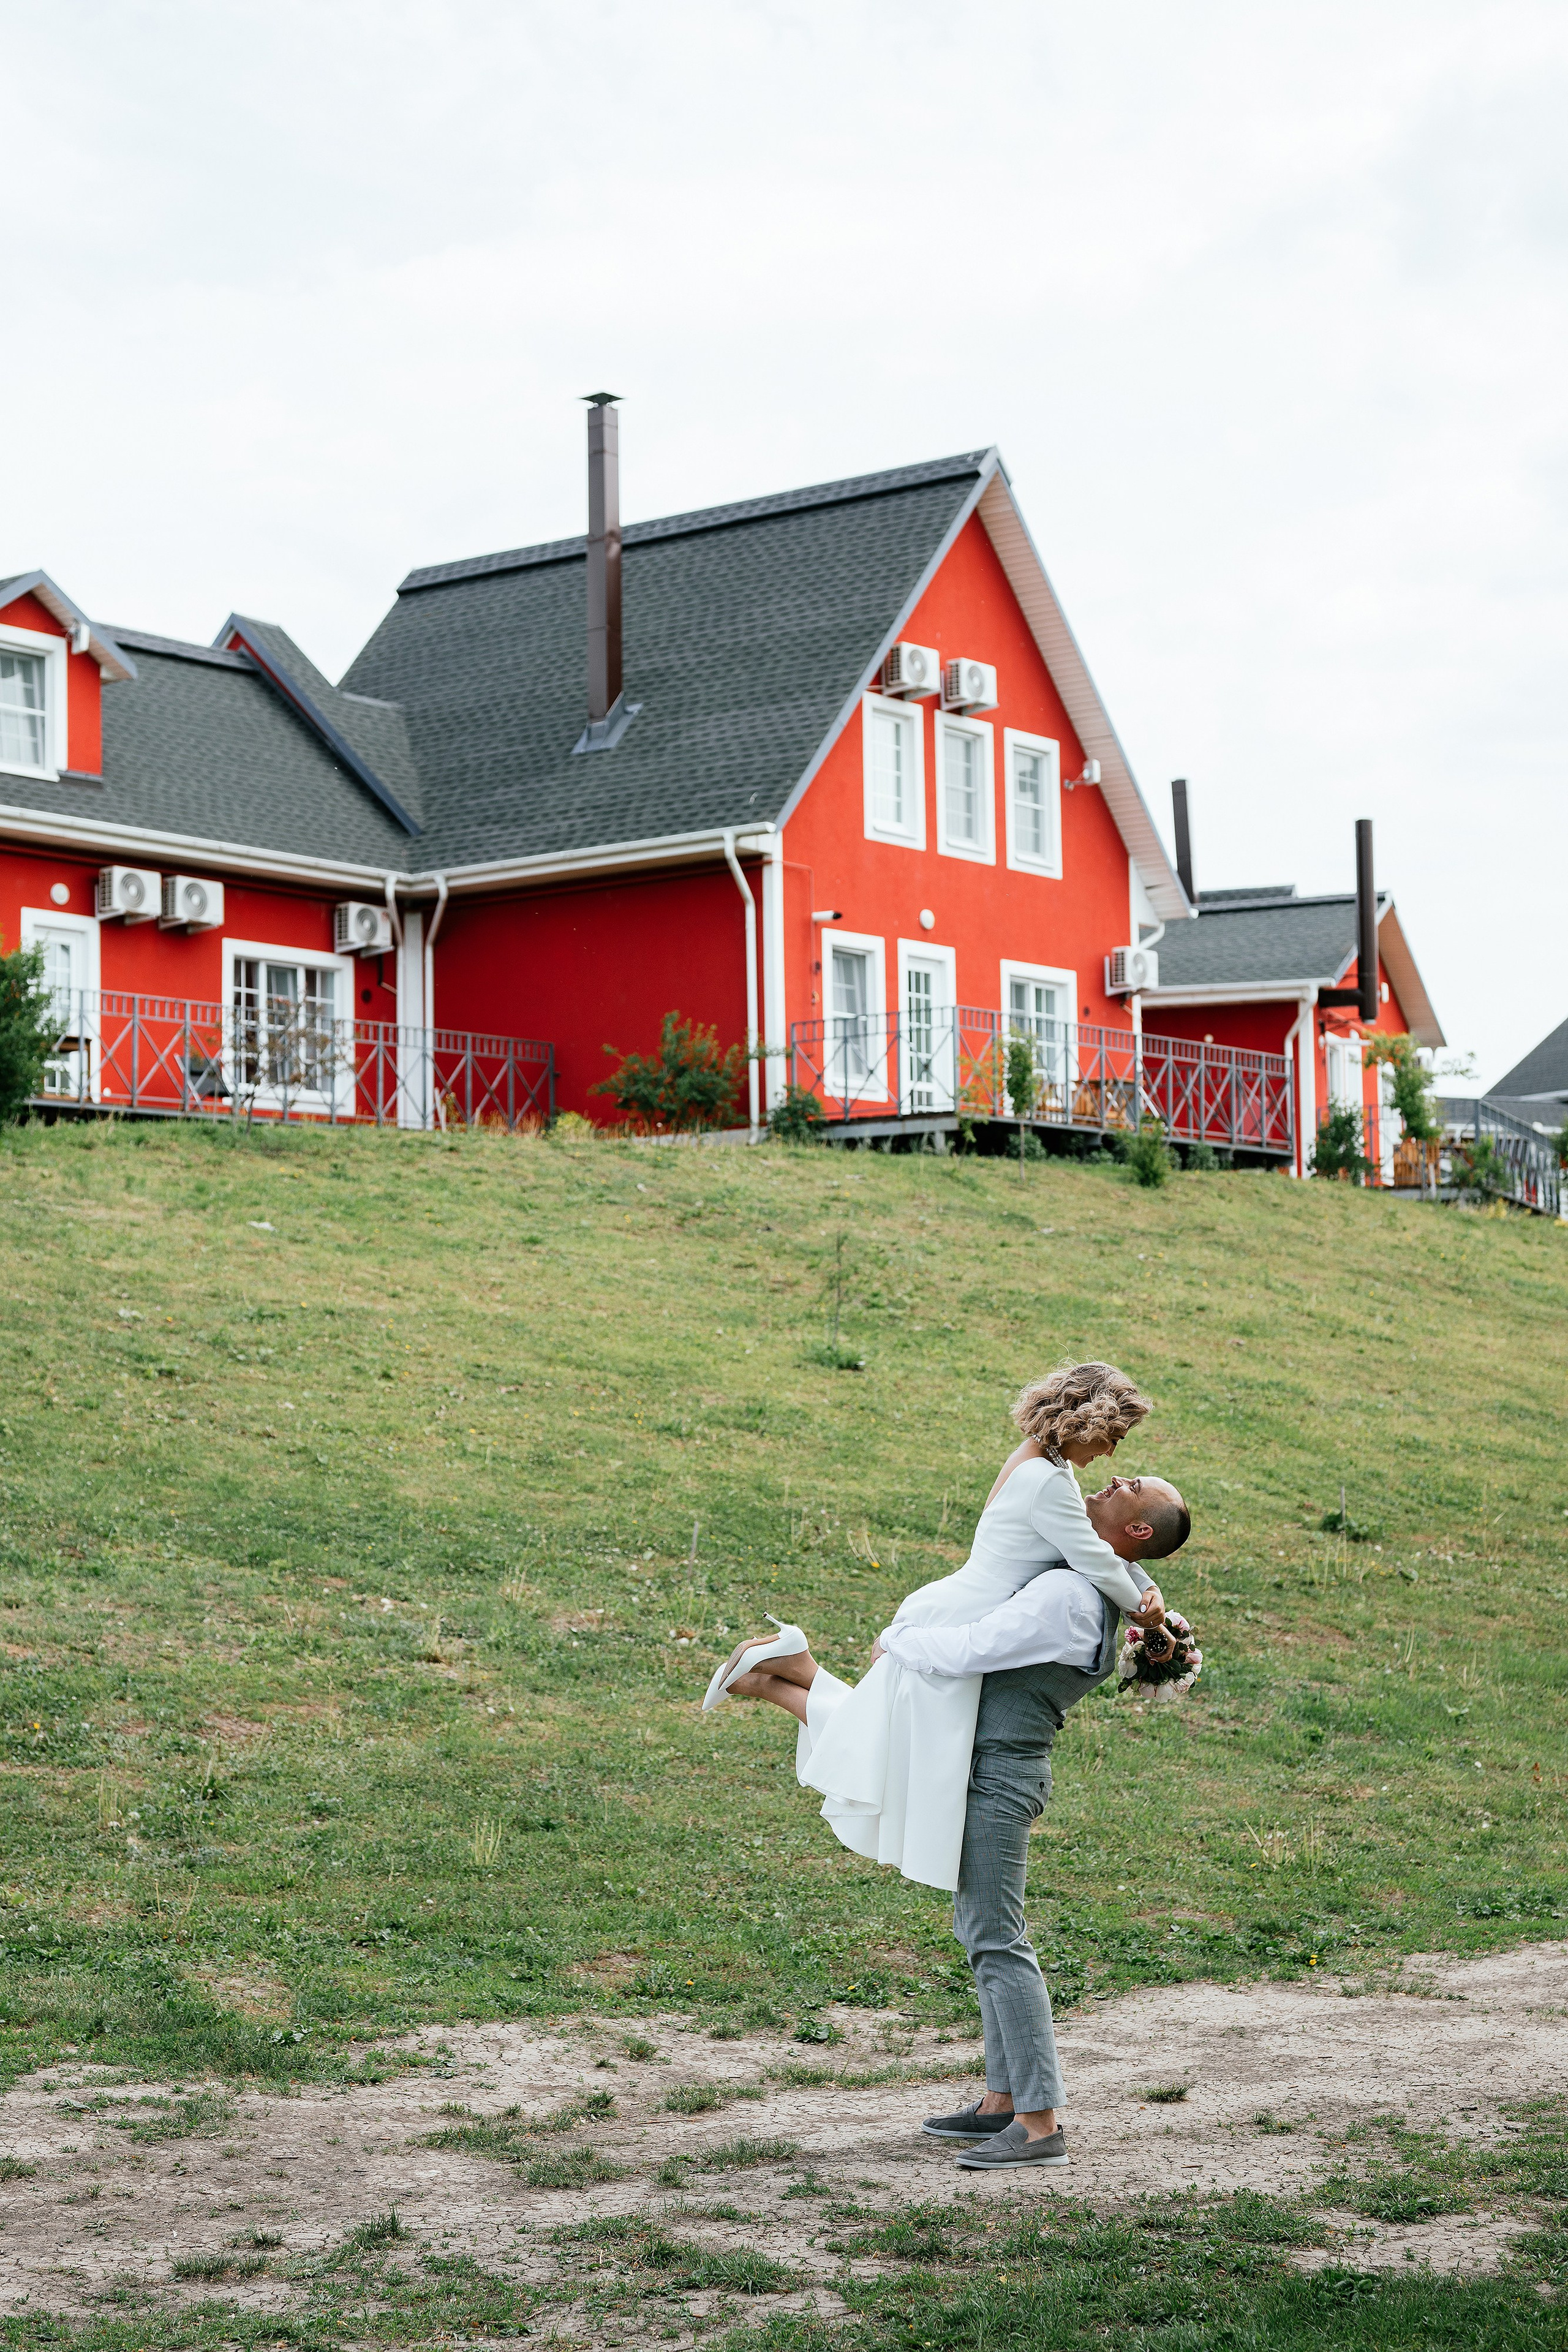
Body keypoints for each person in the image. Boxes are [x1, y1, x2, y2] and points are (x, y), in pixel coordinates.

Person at [707, 1360, 1191, 2173]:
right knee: (979, 1926)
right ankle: (1002, 2102)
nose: (1110, 1476)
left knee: (999, 1940)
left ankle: (1039, 2124)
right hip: (988, 1758)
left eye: (1127, 1486)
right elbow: (1093, 1565)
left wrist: (899, 1639)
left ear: (1135, 1533)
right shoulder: (1086, 1571)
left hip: (999, 1773)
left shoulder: (1070, 1598)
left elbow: (977, 1647)